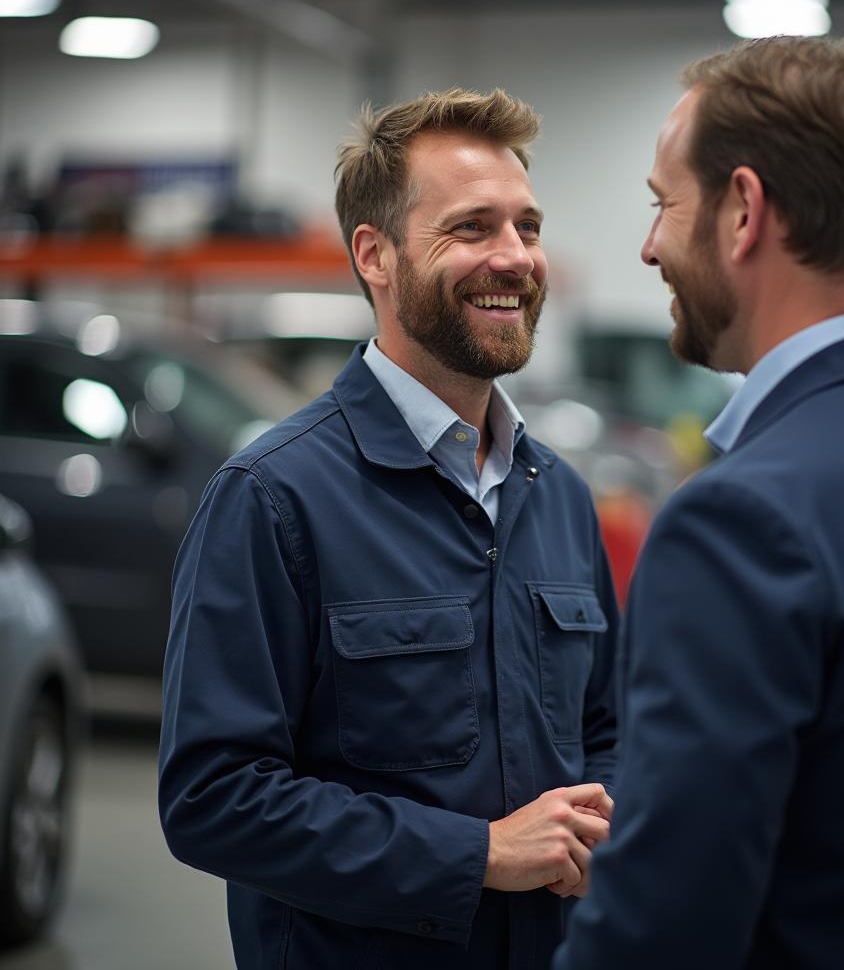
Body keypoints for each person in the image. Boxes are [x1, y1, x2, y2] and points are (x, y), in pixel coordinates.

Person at [555, 36, 844, 969]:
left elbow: (661, 930)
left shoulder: (738, 520)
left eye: (662, 204)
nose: (649, 246)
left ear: (742, 210)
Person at [158, 88, 619, 970]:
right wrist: (476, 856)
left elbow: (611, 730)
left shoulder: (556, 493)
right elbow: (212, 798)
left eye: (527, 225)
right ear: (375, 254)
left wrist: (612, 825)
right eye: (473, 228)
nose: (516, 257)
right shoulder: (272, 497)